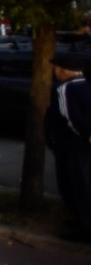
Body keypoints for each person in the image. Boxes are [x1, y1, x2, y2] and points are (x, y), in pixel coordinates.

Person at [46, 52, 91, 242]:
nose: (55, 72)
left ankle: (85, 228)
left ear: (62, 70)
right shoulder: (87, 84)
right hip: (82, 145)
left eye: (56, 68)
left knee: (75, 186)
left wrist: (85, 134)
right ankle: (82, 221)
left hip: (73, 145)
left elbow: (70, 117)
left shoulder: (66, 88)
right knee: (84, 184)